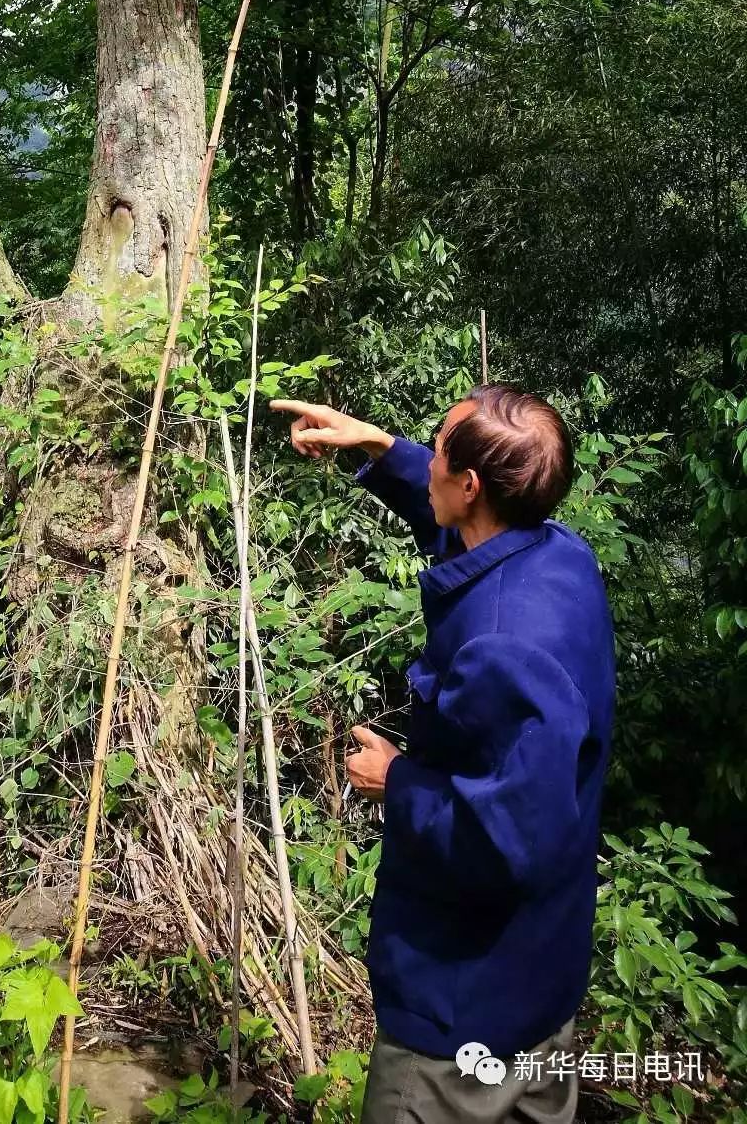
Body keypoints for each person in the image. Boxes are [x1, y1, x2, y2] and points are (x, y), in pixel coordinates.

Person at [271, 387, 614, 1124]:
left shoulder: (504, 644)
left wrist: (396, 782)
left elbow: (506, 842)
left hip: (462, 1007)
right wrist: (374, 444)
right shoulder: (557, 557)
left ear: (470, 487)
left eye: (438, 450)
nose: (426, 461)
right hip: (540, 980)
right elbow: (464, 534)